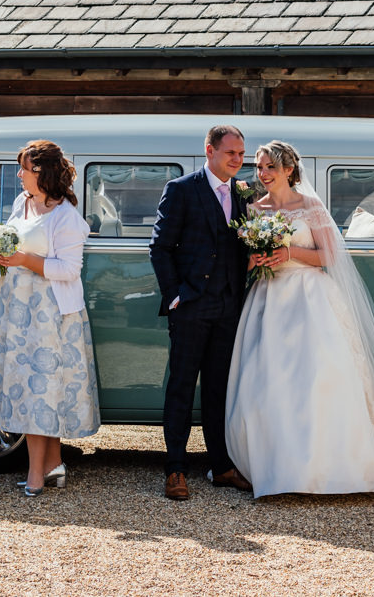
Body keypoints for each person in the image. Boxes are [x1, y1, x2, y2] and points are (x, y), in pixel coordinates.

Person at [226, 141, 374, 501]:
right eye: (259, 167)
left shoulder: (310, 206)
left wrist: (289, 252)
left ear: (289, 170)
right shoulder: (253, 208)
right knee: (267, 383)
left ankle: (331, 470)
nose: (262, 174)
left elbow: (328, 256)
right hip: (268, 299)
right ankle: (278, 470)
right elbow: (244, 257)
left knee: (319, 382)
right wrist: (257, 260)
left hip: (310, 299)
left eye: (270, 167)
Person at [0, 141, 99, 496]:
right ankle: (52, 466)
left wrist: (24, 261)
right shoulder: (24, 203)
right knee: (36, 386)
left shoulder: (66, 216)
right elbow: (8, 236)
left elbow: (69, 270)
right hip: (16, 307)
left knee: (40, 389)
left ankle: (36, 473)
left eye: (24, 168)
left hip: (48, 313)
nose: (19, 174)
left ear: (41, 172)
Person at [148, 123, 252, 501]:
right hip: (191, 305)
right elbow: (160, 247)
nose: (239, 160)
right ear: (209, 151)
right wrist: (174, 295)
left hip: (229, 305)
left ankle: (220, 465)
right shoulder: (181, 189)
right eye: (231, 153)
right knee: (180, 387)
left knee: (218, 389)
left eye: (242, 154)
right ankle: (175, 468)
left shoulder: (244, 192)